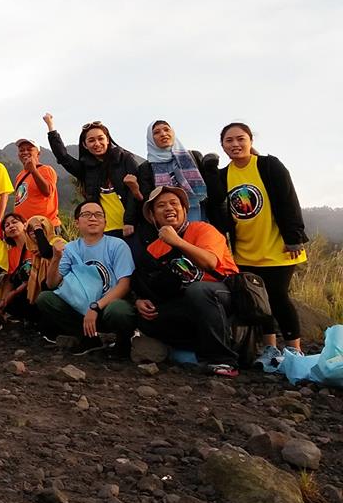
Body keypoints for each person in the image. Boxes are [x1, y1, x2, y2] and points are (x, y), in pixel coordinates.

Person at [209, 122, 309, 367]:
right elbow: (218, 209)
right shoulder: (224, 175)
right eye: (229, 140)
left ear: (250, 140)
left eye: (240, 139)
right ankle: (270, 348)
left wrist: (294, 236)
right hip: (245, 250)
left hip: (278, 246)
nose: (235, 144)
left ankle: (294, 350)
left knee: (278, 296)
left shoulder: (268, 165)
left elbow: (288, 199)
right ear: (223, 145)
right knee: (257, 301)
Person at [134, 186, 240, 376]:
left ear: (184, 209)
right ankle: (198, 349)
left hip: (224, 294)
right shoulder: (153, 249)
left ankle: (222, 360)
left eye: (174, 203)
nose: (169, 208)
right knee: (147, 318)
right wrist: (140, 301)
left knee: (198, 290)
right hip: (189, 303)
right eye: (161, 206)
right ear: (153, 216)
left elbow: (209, 262)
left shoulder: (204, 230)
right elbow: (151, 288)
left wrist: (177, 241)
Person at [35, 200, 137, 355]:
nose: (93, 218)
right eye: (87, 214)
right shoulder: (70, 248)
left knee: (119, 310)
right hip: (80, 306)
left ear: (105, 222)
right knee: (45, 298)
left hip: (107, 306)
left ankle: (123, 342)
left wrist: (95, 307)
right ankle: (88, 337)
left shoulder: (117, 245)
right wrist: (55, 258)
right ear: (77, 223)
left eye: (98, 215)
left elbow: (124, 284)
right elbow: (51, 284)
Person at [44, 114, 139, 238]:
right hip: (103, 232)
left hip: (131, 228)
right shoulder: (86, 168)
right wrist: (51, 127)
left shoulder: (125, 159)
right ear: (85, 145)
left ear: (107, 140)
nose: (97, 143)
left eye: (100, 138)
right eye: (91, 140)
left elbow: (135, 192)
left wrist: (130, 221)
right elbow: (63, 157)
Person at [126, 120, 210, 225]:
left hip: (200, 216)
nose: (163, 134)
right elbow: (147, 200)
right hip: (168, 221)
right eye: (156, 132)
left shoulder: (193, 157)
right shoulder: (146, 168)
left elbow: (210, 189)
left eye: (166, 130)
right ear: (151, 139)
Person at [0, 214, 65, 332]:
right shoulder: (11, 253)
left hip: (48, 287)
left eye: (14, 222)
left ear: (24, 225)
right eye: (7, 225)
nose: (11, 226)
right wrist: (4, 301)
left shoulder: (46, 244)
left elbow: (47, 253)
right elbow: (10, 279)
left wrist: (14, 292)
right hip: (28, 290)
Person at [12, 138, 60, 232]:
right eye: (21, 150)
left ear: (38, 153)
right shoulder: (19, 175)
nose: (25, 152)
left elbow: (47, 191)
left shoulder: (46, 169)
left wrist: (33, 171)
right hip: (26, 228)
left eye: (29, 149)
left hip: (44, 225)